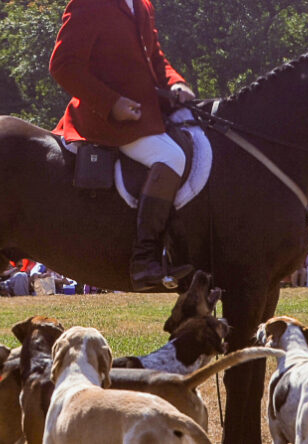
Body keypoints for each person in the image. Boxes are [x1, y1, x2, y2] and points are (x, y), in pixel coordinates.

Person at [49, 0, 195, 290]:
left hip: (148, 114)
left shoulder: (142, 4)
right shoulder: (90, 4)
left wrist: (176, 82)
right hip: (105, 120)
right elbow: (63, 65)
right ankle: (144, 260)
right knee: (171, 158)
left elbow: (154, 56)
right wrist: (111, 103)